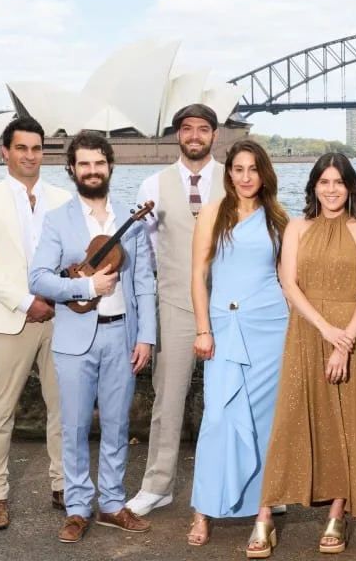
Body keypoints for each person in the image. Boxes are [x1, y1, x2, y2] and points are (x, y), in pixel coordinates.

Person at [29, 131, 157, 544]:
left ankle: (114, 504)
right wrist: (86, 288)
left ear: (109, 167)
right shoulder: (57, 219)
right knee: (75, 426)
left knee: (119, 425)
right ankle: (78, 507)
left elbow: (143, 282)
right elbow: (39, 277)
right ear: (71, 169)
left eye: (99, 163)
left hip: (122, 335)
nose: (92, 170)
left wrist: (146, 337)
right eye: (83, 163)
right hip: (74, 339)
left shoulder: (130, 219)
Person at [260, 153, 356, 554]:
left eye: (339, 182)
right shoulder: (297, 227)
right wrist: (325, 330)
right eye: (324, 182)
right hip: (306, 331)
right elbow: (289, 284)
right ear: (314, 186)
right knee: (291, 420)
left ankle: (337, 512)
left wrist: (344, 342)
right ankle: (264, 514)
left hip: (348, 333)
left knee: (345, 424)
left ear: (350, 187)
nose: (331, 189)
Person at [0, 117, 70, 530]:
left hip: (60, 317)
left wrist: (62, 295)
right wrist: (27, 302)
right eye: (22, 148)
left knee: (64, 408)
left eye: (37, 148)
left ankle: (63, 485)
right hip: (12, 319)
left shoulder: (63, 199)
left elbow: (72, 255)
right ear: (4, 151)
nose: (30, 156)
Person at [188, 138, 290, 558]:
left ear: (263, 173)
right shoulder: (212, 214)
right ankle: (202, 511)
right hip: (225, 329)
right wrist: (203, 329)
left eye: (253, 169)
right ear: (228, 173)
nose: (245, 177)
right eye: (238, 169)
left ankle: (263, 516)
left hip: (271, 329)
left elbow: (287, 279)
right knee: (217, 418)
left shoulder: (279, 219)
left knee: (265, 424)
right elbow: (198, 276)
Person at [126, 103, 226, 517]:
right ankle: (158, 485)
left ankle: (248, 485)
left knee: (236, 400)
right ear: (177, 135)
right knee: (167, 400)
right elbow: (144, 258)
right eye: (187, 129)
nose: (195, 136)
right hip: (174, 305)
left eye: (203, 129)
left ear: (214, 135)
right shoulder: (152, 185)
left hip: (229, 304)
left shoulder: (237, 178)